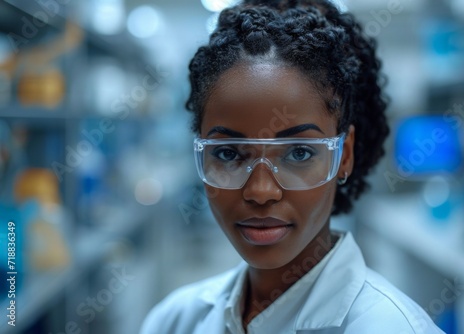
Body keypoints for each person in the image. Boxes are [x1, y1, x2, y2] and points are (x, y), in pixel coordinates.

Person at [141, 0, 444, 333]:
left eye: (298, 153)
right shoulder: (173, 321)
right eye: (228, 153)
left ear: (344, 155)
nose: (260, 191)